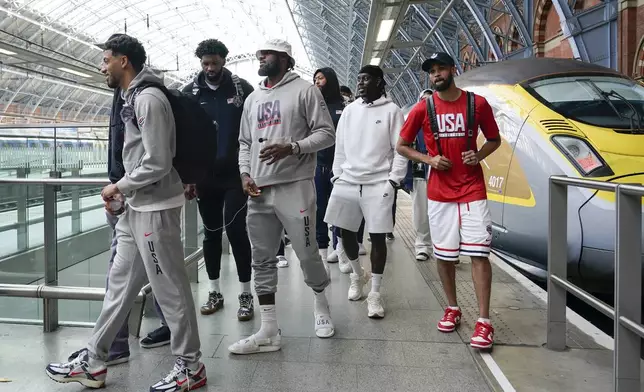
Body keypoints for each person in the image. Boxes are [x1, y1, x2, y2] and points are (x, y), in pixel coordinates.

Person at [45, 34, 206, 390]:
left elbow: (158, 161)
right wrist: (127, 194)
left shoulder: (148, 98)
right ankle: (95, 358)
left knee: (169, 289)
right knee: (118, 288)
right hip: (136, 210)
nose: (102, 66)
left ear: (124, 61)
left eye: (106, 59)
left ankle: (191, 367)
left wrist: (120, 186)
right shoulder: (130, 97)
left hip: (156, 209)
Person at [228, 38, 336, 355]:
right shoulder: (253, 98)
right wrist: (245, 174)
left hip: (295, 184)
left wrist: (293, 146)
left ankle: (321, 305)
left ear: (285, 59)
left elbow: (326, 133)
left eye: (268, 53)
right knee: (261, 258)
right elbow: (245, 143)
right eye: (260, 52)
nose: (260, 56)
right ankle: (269, 329)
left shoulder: (305, 90)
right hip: (259, 189)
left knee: (306, 252)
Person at [396, 52, 501, 349]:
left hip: (472, 189)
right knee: (444, 255)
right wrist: (429, 159)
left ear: (453, 70)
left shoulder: (477, 104)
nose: (436, 75)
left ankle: (484, 322)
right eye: (432, 71)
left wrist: (478, 155)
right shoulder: (422, 108)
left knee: (479, 253)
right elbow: (401, 146)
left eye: (441, 69)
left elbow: (494, 140)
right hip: (439, 193)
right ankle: (453, 307)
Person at [324, 65, 408, 318]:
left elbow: (400, 149)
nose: (361, 83)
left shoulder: (392, 111)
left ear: (379, 82)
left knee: (378, 237)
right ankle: (357, 276)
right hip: (347, 181)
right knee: (343, 232)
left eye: (366, 79)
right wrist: (337, 175)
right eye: (359, 79)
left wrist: (393, 181)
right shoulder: (350, 111)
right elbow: (340, 146)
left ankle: (375, 294)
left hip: (378, 183)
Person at [182, 39, 255, 321]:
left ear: (224, 60)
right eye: (205, 63)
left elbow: (252, 130)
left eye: (214, 62)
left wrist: (249, 170)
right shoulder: (190, 92)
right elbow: (185, 138)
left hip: (235, 175)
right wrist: (188, 177)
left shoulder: (242, 90)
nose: (209, 68)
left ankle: (246, 294)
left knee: (237, 231)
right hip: (205, 177)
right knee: (211, 233)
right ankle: (214, 291)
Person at [312, 67, 344, 263]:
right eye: (315, 78)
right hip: (317, 165)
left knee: (338, 207)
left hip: (338, 166)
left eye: (321, 78)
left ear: (330, 80)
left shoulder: (342, 108)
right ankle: (321, 248)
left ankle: (339, 245)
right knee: (318, 208)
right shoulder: (311, 106)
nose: (317, 81)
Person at [401, 88, 433, 261]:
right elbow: (404, 148)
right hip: (420, 172)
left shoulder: (441, 121)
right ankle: (422, 246)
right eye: (424, 99)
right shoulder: (413, 122)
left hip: (440, 173)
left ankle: (445, 247)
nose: (427, 103)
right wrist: (406, 178)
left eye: (430, 99)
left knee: (442, 211)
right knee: (420, 211)